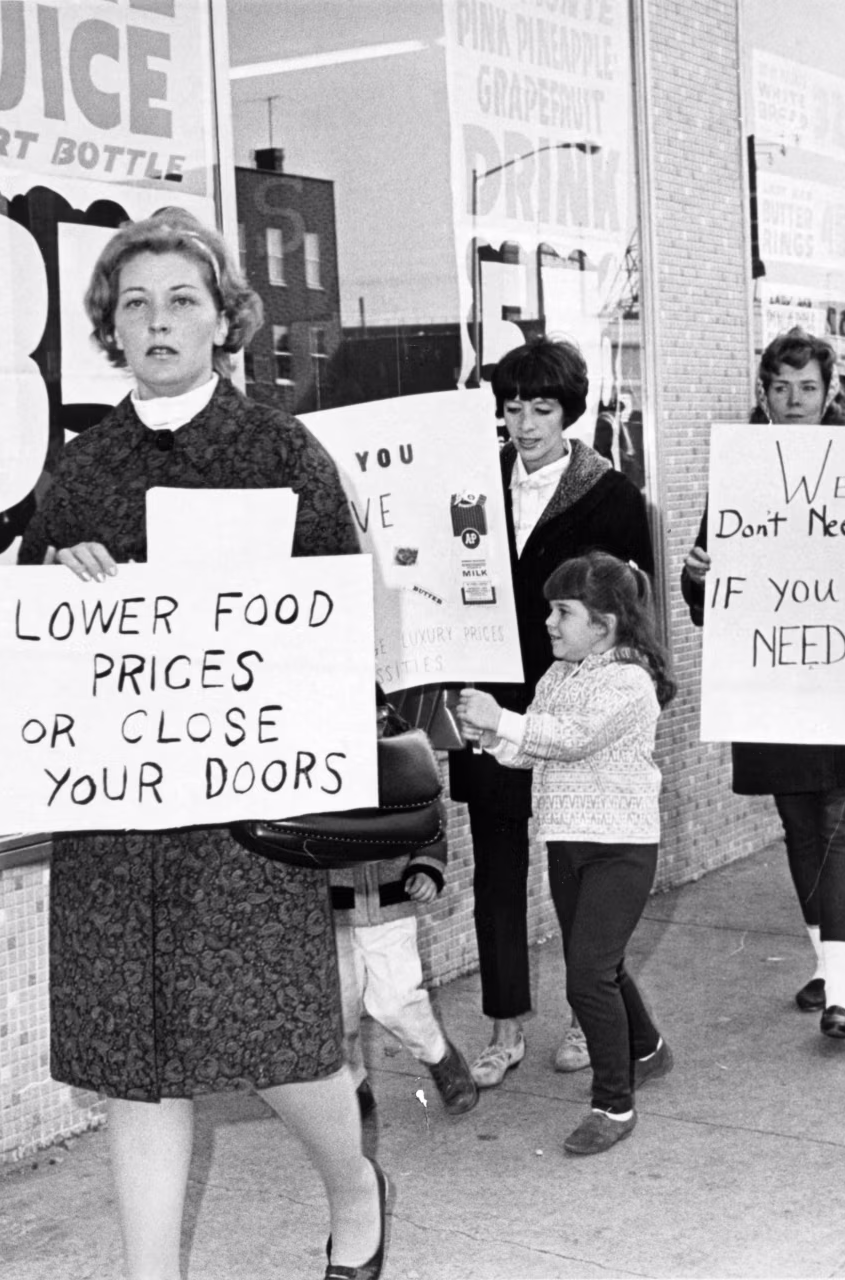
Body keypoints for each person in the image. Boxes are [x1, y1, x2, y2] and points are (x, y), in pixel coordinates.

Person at [15, 209, 388, 1280]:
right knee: (137, 1068)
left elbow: (339, 638)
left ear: (223, 321)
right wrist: (58, 583)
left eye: (182, 299)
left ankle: (351, 1181)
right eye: (135, 303)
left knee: (279, 1052)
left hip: (240, 823)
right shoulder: (78, 470)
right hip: (114, 828)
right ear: (110, 329)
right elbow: (35, 654)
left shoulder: (280, 452)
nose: (157, 320)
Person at [448, 337, 654, 1087]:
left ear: (570, 411)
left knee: (579, 870)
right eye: (512, 407)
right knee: (497, 872)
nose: (525, 423)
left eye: (542, 408)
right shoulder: (467, 483)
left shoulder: (613, 496)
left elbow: (640, 612)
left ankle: (583, 1011)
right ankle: (503, 1026)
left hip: (578, 715)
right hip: (492, 706)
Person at [680, 329, 845, 1037]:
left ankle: (843, 995)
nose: (794, 400)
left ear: (831, 392)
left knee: (841, 826)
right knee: (801, 826)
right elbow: (704, 594)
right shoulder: (743, 473)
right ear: (763, 394)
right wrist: (698, 576)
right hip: (774, 677)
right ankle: (826, 965)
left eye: (807, 387)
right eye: (780, 387)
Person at [457, 553, 675, 1155]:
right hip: (568, 841)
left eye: (563, 612)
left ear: (603, 625)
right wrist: (493, 738)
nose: (549, 623)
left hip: (621, 850)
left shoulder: (628, 682)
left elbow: (573, 739)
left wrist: (503, 719)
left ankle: (614, 1103)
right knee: (599, 964)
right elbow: (535, 750)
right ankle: (648, 1050)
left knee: (586, 977)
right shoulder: (560, 676)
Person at [331, 836, 479, 1119]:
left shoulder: (397, 787)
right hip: (329, 906)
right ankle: (351, 1084)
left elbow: (426, 813)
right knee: (338, 1007)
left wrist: (426, 866)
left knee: (396, 1001)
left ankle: (441, 1057)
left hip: (391, 903)